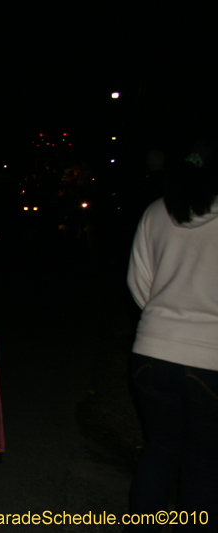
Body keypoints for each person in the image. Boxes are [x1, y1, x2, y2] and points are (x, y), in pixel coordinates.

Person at [125, 141, 218, 532]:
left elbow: (138, 282)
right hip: (209, 360)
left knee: (161, 449)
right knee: (204, 462)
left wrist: (163, 321)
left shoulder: (154, 213)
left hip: (150, 352)